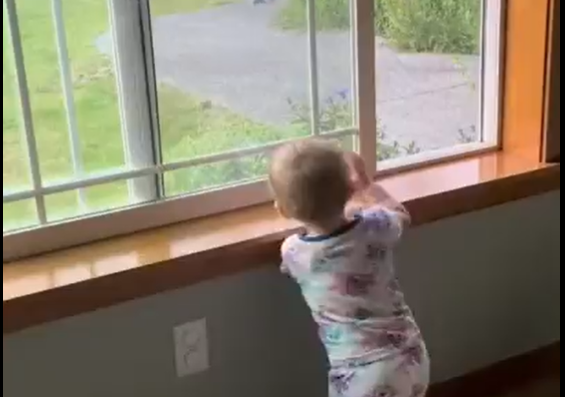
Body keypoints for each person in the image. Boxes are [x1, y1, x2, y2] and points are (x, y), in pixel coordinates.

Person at [269, 139, 429, 397]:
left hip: (359, 375)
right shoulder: (374, 227)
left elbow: (293, 265)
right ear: (349, 189)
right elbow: (400, 214)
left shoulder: (294, 252)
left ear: (282, 209)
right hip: (410, 356)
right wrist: (367, 185)